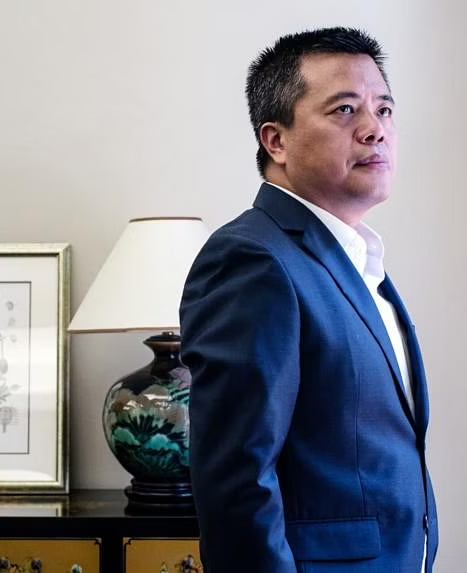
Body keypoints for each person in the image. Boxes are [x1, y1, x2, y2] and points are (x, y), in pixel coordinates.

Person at [179, 27, 437, 573]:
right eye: (345, 110)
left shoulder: (356, 260)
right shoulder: (253, 260)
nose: (374, 129)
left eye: (384, 110)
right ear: (276, 141)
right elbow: (237, 479)